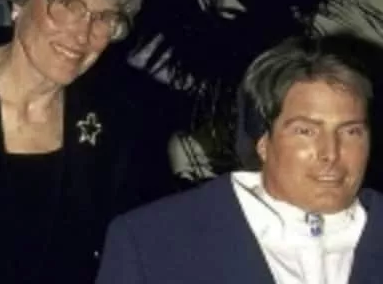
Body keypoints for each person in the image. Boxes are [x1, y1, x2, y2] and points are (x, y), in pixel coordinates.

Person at [96, 35, 383, 284]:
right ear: (262, 142)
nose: (331, 153)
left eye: (351, 131)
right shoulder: (153, 242)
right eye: (305, 131)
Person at [0, 0, 179, 284]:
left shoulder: (122, 119)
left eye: (103, 17)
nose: (81, 34)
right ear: (20, 1)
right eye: (67, 5)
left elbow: (145, 241)